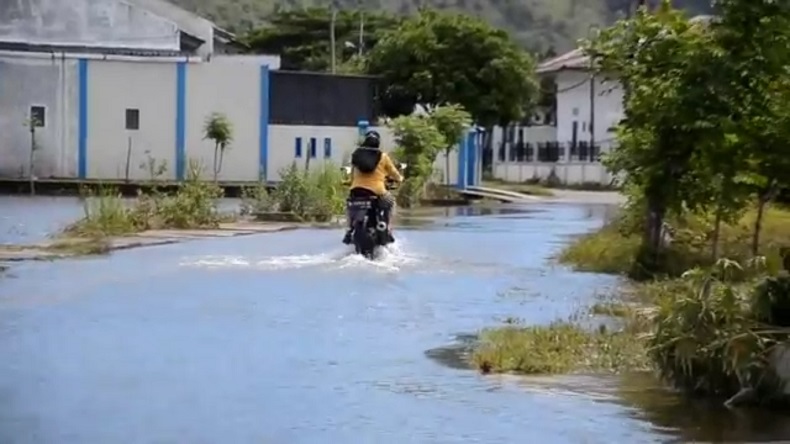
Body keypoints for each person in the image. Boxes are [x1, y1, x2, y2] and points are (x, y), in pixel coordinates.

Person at [343, 130, 403, 244]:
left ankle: (349, 229)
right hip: (377, 191)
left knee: (350, 207)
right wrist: (399, 179)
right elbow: (393, 172)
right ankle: (387, 229)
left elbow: (352, 175)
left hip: (356, 190)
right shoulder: (383, 156)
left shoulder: (356, 155)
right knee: (391, 203)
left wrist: (349, 182)